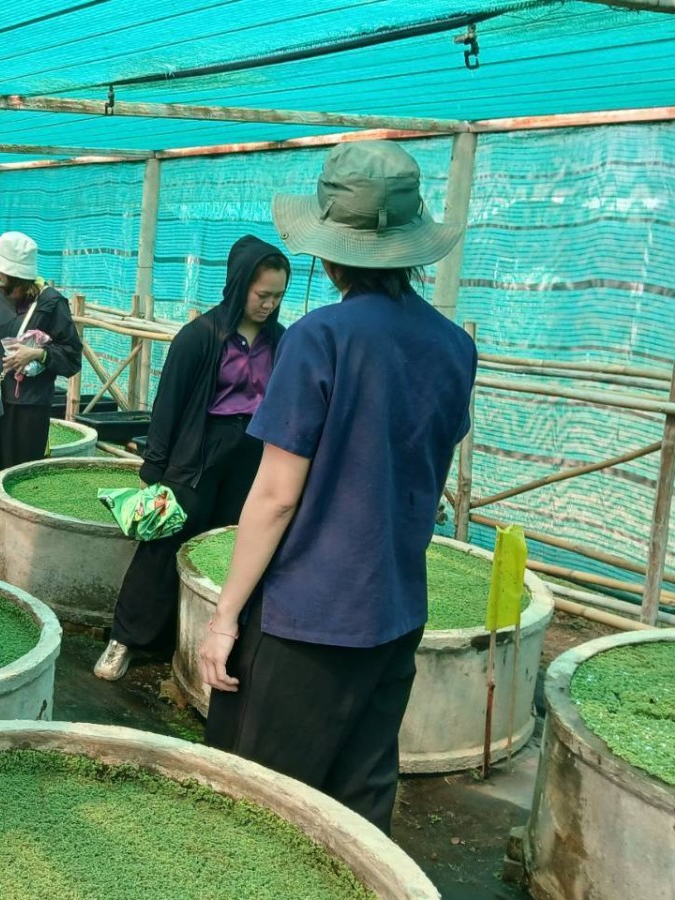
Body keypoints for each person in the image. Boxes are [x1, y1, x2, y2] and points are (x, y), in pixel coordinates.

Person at [197, 141, 478, 835]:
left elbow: (275, 495)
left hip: (308, 616)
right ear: (411, 246)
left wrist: (224, 615)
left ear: (326, 252)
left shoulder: (319, 337)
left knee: (265, 806)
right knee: (358, 802)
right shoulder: (453, 345)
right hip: (395, 610)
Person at [94, 236, 290, 681]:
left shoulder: (282, 341)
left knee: (226, 545)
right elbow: (168, 405)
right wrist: (155, 469)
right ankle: (124, 638)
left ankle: (186, 643)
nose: (269, 304)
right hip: (198, 453)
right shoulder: (201, 336)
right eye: (263, 295)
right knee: (162, 545)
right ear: (239, 286)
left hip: (251, 456)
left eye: (278, 296)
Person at [0, 231, 83, 556]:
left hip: (30, 405)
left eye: (6, 276)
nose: (0, 281)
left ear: (22, 277)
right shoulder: (1, 297)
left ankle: (15, 549)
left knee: (18, 470)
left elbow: (72, 356)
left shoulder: (51, 303)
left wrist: (38, 355)